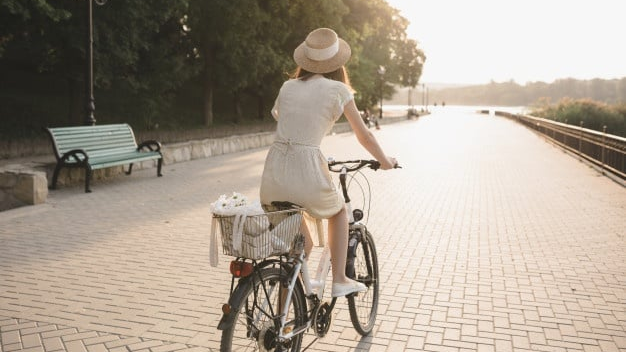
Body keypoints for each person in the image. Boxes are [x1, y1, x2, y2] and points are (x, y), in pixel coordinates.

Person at [260, 28, 397, 298]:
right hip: (305, 169)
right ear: (337, 63)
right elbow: (364, 135)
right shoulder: (338, 89)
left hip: (274, 173)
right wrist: (385, 161)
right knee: (339, 213)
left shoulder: (287, 86)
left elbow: (283, 117)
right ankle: (340, 279)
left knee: (301, 247)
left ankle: (282, 324)